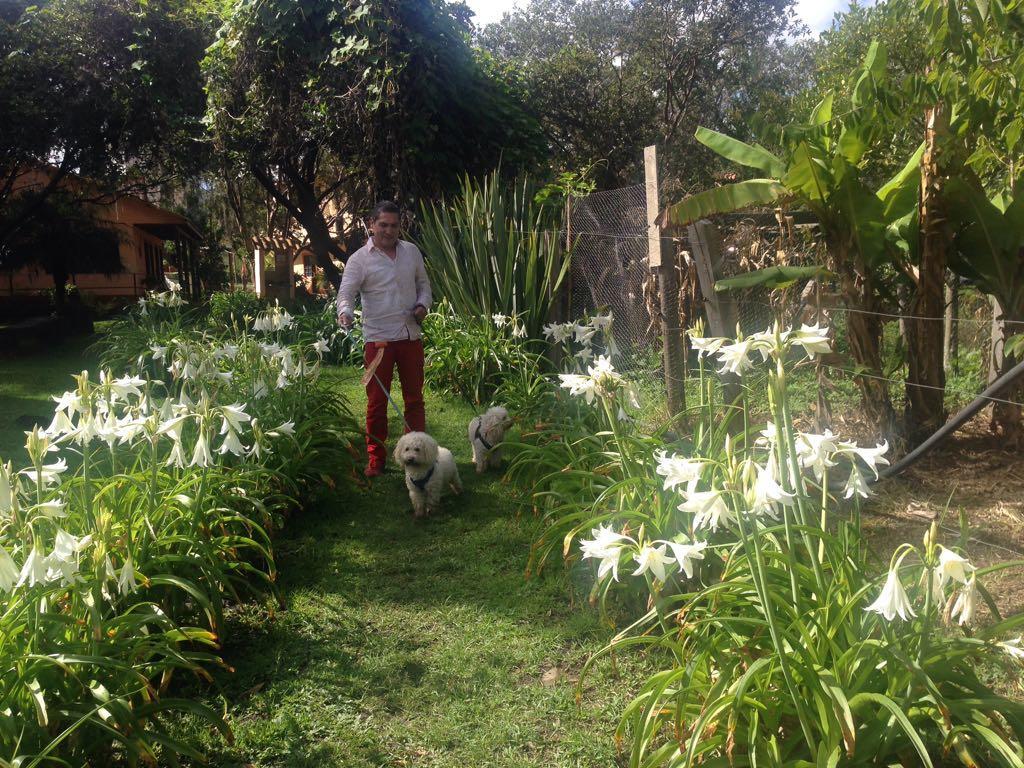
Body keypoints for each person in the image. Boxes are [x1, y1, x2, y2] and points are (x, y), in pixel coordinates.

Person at [336, 201, 431, 477]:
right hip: (378, 342)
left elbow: (424, 285)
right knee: (377, 403)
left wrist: (423, 305)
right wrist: (344, 313)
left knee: (415, 400)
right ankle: (376, 459)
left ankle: (420, 455)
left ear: (400, 226)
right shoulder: (359, 259)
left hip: (410, 336)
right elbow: (346, 294)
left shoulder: (411, 252)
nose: (389, 231)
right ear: (371, 224)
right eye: (384, 225)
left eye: (394, 225)